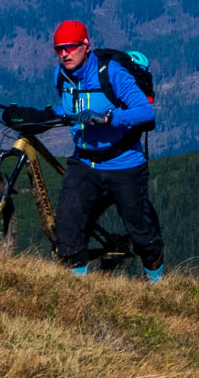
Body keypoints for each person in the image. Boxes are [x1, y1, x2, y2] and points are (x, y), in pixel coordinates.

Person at [48, 19, 164, 281]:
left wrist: (110, 118)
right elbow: (69, 111)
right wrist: (38, 116)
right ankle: (77, 291)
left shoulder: (111, 73)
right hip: (84, 162)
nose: (65, 53)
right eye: (59, 49)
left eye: (71, 47)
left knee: (141, 233)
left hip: (124, 163)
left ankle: (157, 285)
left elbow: (145, 112)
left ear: (86, 46)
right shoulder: (61, 76)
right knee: (67, 228)